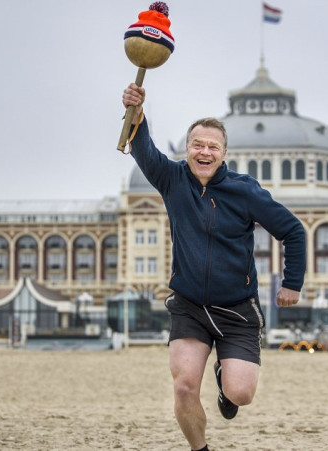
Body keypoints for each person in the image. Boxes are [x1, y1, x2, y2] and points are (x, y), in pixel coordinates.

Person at [121, 83, 306, 451]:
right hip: (189, 305)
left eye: (212, 147)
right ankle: (200, 449)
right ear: (188, 149)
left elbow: (293, 231)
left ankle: (225, 380)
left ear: (224, 153)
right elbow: (143, 149)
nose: (204, 152)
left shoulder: (245, 191)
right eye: (197, 145)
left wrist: (292, 284)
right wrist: (136, 113)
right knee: (185, 386)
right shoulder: (172, 180)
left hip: (237, 309)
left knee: (241, 393)